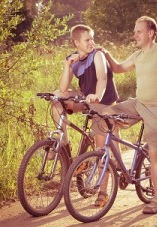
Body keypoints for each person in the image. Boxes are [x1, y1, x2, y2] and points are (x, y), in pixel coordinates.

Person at [101, 16, 157, 214]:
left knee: (154, 152)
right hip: (138, 104)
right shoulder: (137, 56)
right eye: (135, 31)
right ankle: (119, 162)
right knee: (108, 113)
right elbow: (118, 68)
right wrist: (107, 53)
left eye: (139, 31)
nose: (134, 34)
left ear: (151, 33)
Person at [51, 24, 119, 205]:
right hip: (87, 99)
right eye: (87, 39)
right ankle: (64, 148)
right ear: (76, 42)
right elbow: (64, 87)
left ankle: (103, 193)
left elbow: (103, 78)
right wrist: (68, 65)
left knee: (101, 148)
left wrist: (97, 95)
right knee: (57, 101)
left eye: (92, 39)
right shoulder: (74, 59)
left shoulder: (97, 55)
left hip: (104, 102)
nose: (92, 42)